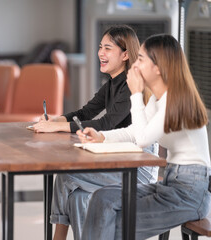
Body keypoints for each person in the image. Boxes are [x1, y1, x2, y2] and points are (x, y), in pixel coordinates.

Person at [78, 34, 211, 240]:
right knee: (102, 197)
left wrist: (136, 94)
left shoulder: (175, 99)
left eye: (140, 58)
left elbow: (142, 139)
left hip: (190, 193)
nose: (135, 64)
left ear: (158, 67)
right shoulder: (159, 98)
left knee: (119, 224)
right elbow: (134, 131)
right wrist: (101, 136)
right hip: (170, 183)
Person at [34, 25, 159, 240]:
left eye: (108, 48)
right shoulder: (112, 84)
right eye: (101, 47)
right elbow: (86, 112)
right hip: (120, 160)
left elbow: (108, 123)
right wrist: (56, 120)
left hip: (138, 169)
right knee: (77, 198)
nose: (101, 52)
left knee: (66, 176)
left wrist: (58, 127)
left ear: (125, 54)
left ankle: (57, 238)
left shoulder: (130, 85)